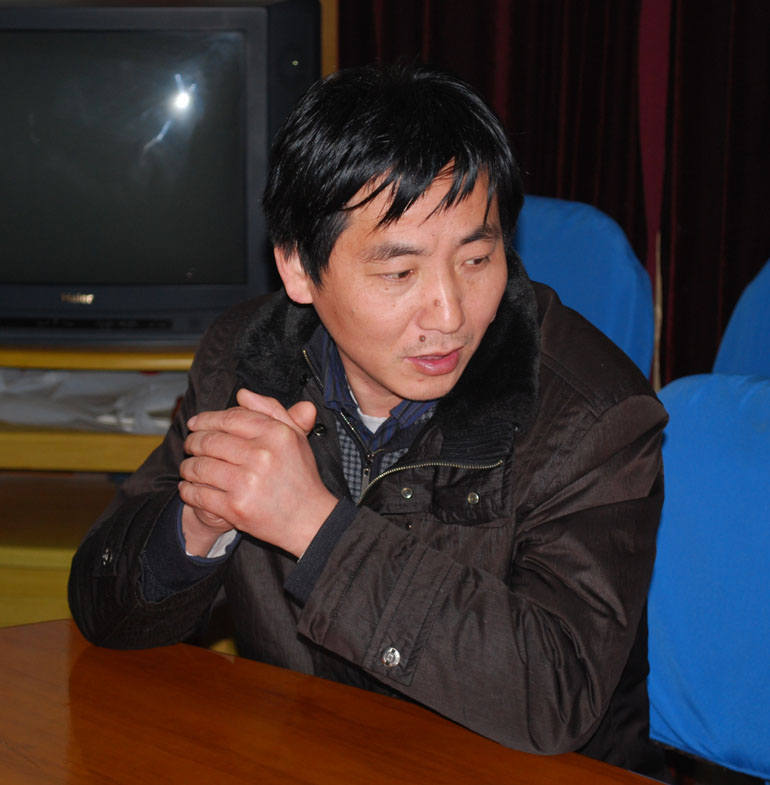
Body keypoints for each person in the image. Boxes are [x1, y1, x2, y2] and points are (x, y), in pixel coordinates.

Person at [69, 63, 667, 777]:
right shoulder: (245, 362)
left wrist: (316, 529)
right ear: (298, 268)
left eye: (477, 258)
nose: (449, 313)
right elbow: (103, 608)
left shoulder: (596, 415)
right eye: (399, 273)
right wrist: (195, 525)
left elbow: (556, 695)